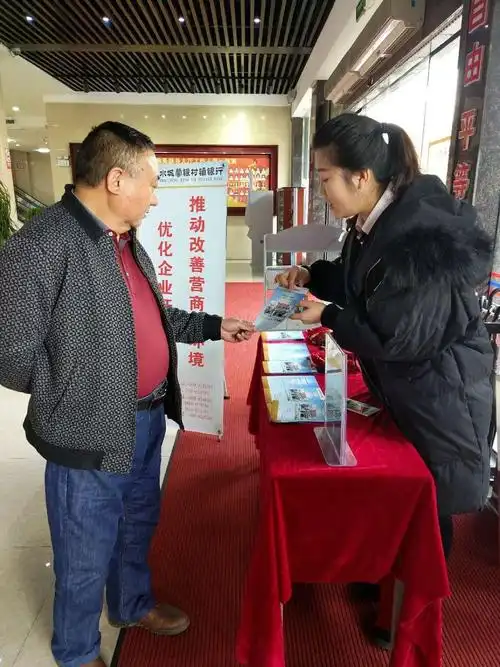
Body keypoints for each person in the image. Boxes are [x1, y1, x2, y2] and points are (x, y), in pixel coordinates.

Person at [0, 121, 254, 667]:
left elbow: (153, 319)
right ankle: (76, 651)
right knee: (83, 549)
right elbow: (9, 352)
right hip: (87, 432)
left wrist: (213, 326)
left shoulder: (124, 242)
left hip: (145, 419)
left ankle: (130, 604)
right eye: (152, 183)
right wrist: (76, 396)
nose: (155, 196)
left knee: (137, 523)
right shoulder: (41, 244)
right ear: (116, 180)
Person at [276, 113, 493, 561]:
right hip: (411, 383)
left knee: (428, 499)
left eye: (325, 179)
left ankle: (419, 596)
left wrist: (328, 315)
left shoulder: (416, 236)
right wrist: (313, 275)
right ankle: (388, 576)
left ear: (361, 176)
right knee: (405, 490)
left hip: (440, 388)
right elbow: (360, 283)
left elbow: (395, 336)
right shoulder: (374, 220)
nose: (322, 191)